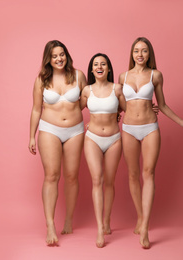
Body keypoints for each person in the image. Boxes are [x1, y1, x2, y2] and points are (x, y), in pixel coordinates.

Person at [118, 37, 183, 249]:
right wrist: (99, 121)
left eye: (144, 51)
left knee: (149, 173)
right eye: (136, 50)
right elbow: (119, 105)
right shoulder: (122, 76)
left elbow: (162, 104)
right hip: (127, 129)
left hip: (150, 128)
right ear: (132, 53)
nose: (140, 54)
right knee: (133, 175)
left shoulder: (156, 75)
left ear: (149, 54)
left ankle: (145, 227)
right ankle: (140, 216)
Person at [28, 40, 87, 246]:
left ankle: (69, 220)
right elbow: (36, 109)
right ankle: (50, 225)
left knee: (71, 176)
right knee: (52, 175)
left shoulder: (79, 76)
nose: (59, 58)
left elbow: (90, 99)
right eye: (54, 56)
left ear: (66, 55)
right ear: (48, 60)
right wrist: (31, 136)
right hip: (49, 129)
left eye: (61, 54)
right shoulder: (41, 80)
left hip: (75, 130)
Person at [80, 53, 126, 248]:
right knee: (96, 180)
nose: (99, 67)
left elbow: (129, 110)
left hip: (114, 140)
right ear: (92, 69)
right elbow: (73, 111)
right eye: (96, 64)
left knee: (109, 182)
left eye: (103, 64)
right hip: (92, 139)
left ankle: (107, 220)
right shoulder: (86, 90)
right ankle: (100, 229)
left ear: (108, 69)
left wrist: (151, 109)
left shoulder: (117, 89)